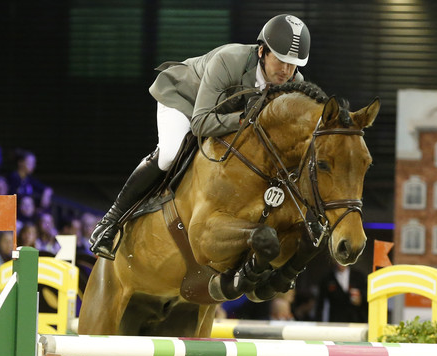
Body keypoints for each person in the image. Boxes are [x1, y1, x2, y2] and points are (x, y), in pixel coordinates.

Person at [89, 14, 311, 260]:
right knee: (170, 154)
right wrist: (244, 120)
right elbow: (200, 122)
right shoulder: (229, 60)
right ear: (262, 52)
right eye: (280, 61)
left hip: (225, 117)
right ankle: (109, 222)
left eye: (293, 65)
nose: (286, 71)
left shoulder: (293, 82)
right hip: (184, 100)